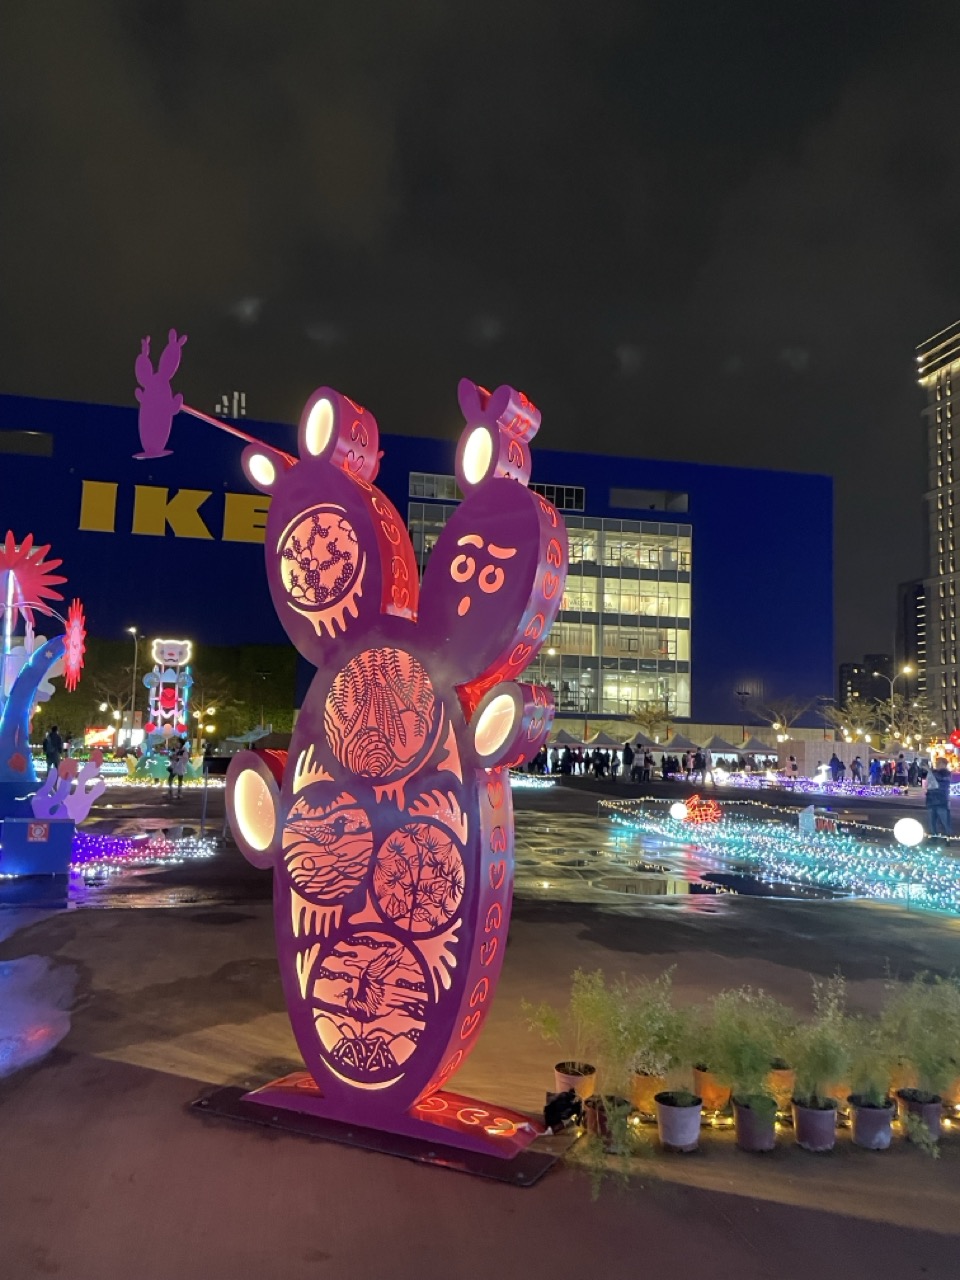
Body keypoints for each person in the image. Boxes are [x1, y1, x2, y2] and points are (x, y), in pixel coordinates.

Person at [924, 755, 953, 836]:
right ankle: (934, 837)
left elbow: (940, 778)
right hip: (931, 800)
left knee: (945, 821)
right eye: (936, 763)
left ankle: (948, 837)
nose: (936, 764)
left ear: (944, 764)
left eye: (938, 763)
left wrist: (930, 771)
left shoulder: (946, 773)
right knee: (931, 822)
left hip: (941, 801)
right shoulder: (935, 772)